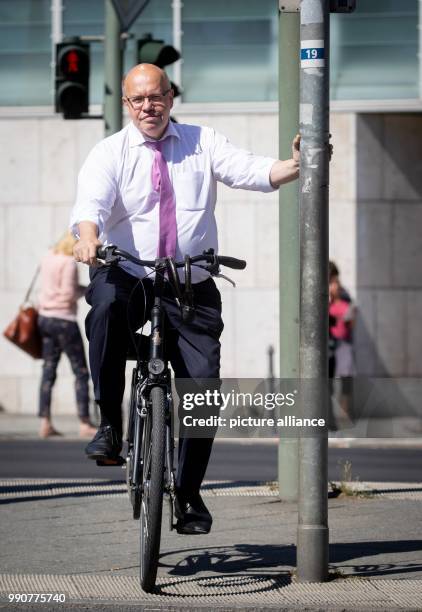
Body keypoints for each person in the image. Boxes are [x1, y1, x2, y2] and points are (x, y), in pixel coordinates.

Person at [70, 63, 300, 534]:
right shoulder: (110, 152)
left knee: (203, 390)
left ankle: (189, 492)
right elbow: (89, 207)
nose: (148, 107)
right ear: (126, 105)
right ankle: (110, 425)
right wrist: (88, 239)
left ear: (171, 98)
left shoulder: (202, 141)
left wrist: (293, 166)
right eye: (138, 100)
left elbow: (248, 170)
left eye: (156, 97)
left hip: (190, 283)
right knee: (107, 309)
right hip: (130, 272)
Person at [38, 232, 96, 439]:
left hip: (44, 318)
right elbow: (68, 294)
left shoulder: (48, 257)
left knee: (48, 370)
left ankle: (45, 423)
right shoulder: (68, 263)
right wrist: (88, 290)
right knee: (80, 372)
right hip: (64, 320)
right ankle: (84, 423)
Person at [328, 260, 355, 424]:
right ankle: (330, 416)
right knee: (328, 382)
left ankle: (344, 415)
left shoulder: (343, 296)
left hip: (342, 342)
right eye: (333, 280)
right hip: (330, 343)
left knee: (346, 378)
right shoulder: (325, 295)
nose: (335, 284)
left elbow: (350, 320)